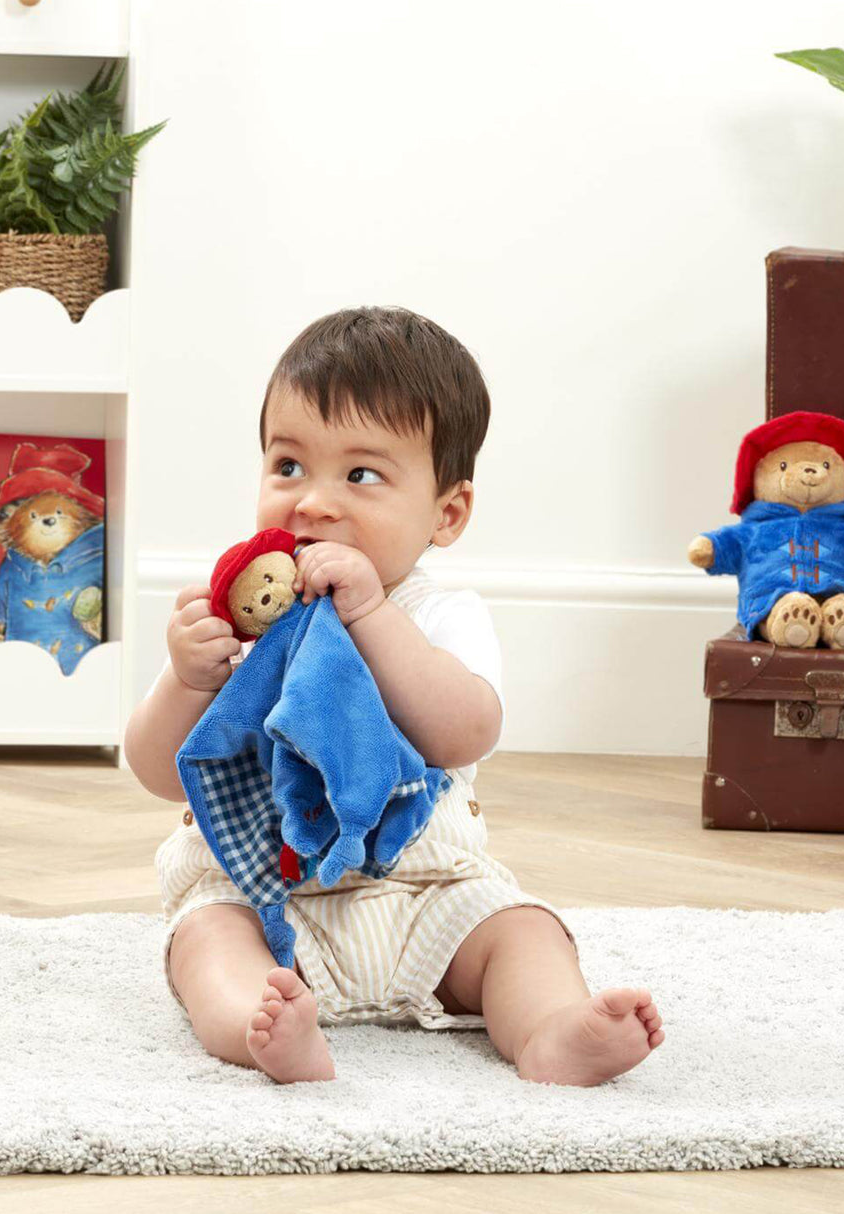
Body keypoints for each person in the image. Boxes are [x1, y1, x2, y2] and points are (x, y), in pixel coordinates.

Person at [124, 306, 663, 1084]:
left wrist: (371, 613)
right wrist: (185, 679)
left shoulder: (439, 615)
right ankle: (260, 1027)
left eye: (361, 475)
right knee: (206, 939)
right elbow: (157, 770)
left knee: (521, 931)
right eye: (288, 467)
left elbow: (464, 732)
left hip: (423, 893)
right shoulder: (238, 617)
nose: (312, 502)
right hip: (267, 899)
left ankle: (550, 1031)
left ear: (447, 514)